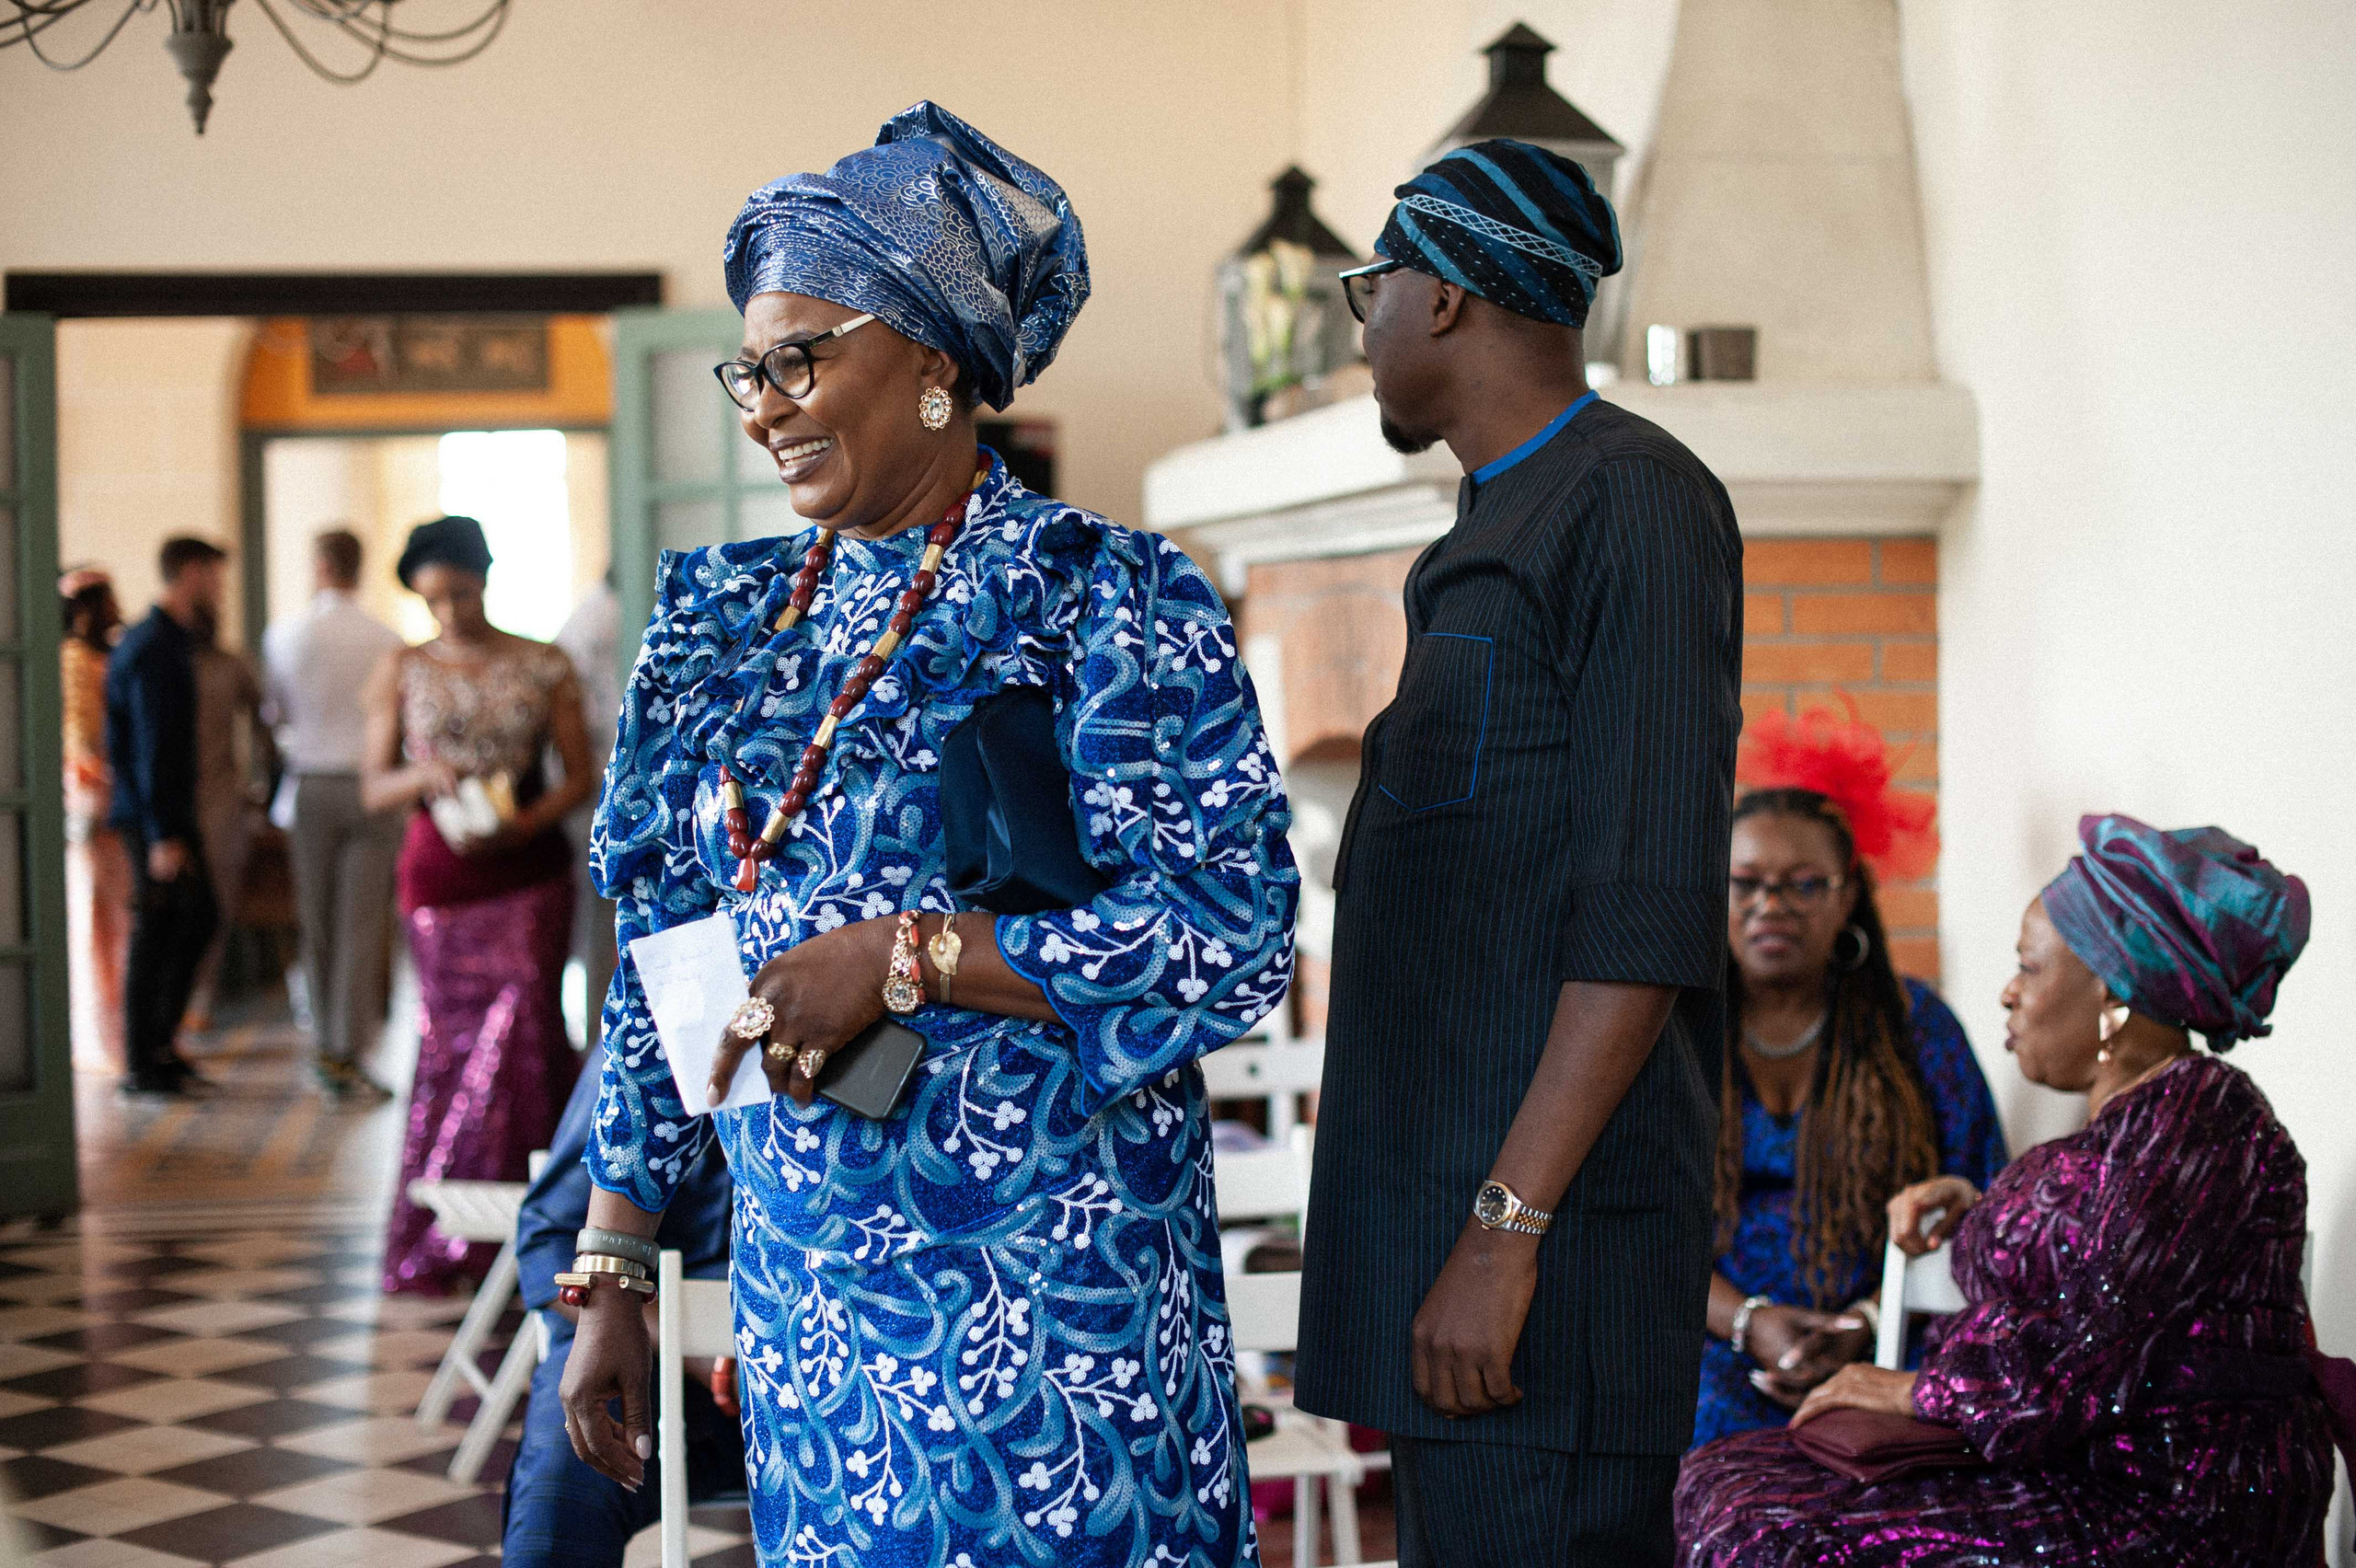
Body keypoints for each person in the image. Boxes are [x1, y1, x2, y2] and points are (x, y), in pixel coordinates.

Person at [559, 103, 1298, 1567]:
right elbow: (673, 957)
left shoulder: (1108, 599)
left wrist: (905, 957)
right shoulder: (718, 621)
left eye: (802, 357)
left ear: (939, 365)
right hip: (816, 1308)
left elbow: (1231, 932)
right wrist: (617, 1258)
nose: (763, 405)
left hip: (1067, 1303)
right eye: (748, 369)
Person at [1294, 140, 1743, 1567]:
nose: (1361, 326)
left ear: (1442, 301)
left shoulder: (1634, 503)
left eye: (1373, 287)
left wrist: (1503, 1232)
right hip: (1454, 1251)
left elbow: (1648, 907)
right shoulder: (1502, 517)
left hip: (1544, 1282)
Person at [1677, 813, 2343, 1566]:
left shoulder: (2199, 1121)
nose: (2007, 993)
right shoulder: (2136, 1121)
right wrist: (1978, 1209)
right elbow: (2088, 1258)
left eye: (2028, 967)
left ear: (2111, 996)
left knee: (1760, 1528)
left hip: (2167, 1495)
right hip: (2071, 1457)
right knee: (1720, 1476)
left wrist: (1908, 1392)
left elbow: (2082, 1343)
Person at [1694, 707, 2005, 1445]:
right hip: (1706, 1342)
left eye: (1804, 884)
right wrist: (1749, 1322)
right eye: (1745, 884)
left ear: (1847, 896)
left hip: (1893, 1340)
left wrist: (1869, 1321)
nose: (1771, 904)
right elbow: (1632, 1223)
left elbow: (1983, 1200)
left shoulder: (1915, 1027)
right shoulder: (1676, 1033)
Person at [361, 514, 593, 1294]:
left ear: (484, 579)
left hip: (526, 868)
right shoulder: (402, 667)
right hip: (440, 874)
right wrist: (423, 780)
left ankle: (544, 1228)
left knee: (528, 1027)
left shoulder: (543, 663)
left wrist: (524, 819)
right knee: (447, 1041)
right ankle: (442, 1235)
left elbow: (581, 776)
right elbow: (372, 784)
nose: (451, 613)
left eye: (461, 593)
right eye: (434, 600)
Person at [504, 1038, 739, 1568]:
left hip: (862, 1362)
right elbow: (548, 1240)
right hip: (658, 1369)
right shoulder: (666, 1025)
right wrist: (708, 1361)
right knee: (560, 1506)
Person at [262, 527, 404, 1099]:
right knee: (362, 927)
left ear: (319, 566)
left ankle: (326, 1047)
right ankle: (349, 1047)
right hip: (372, 786)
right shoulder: (386, 638)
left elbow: (276, 714)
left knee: (317, 923)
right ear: (359, 566)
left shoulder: (285, 634)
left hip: (312, 785)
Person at [105, 536, 231, 1096]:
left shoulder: (170, 641)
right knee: (159, 929)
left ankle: (160, 1046)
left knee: (193, 919)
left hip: (169, 815)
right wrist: (164, 834)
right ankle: (143, 1060)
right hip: (154, 819)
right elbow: (152, 747)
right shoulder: (152, 645)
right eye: (214, 574)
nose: (220, 587)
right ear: (189, 572)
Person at [184, 608, 269, 1032]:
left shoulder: (232, 665)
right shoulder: (165, 660)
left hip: (222, 803)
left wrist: (261, 788)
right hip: (174, 801)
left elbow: (263, 725)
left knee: (217, 900)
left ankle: (201, 996)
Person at [61, 567, 130, 1078]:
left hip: (107, 799)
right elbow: (82, 741)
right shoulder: (74, 662)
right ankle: (99, 1032)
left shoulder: (103, 659)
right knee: (93, 916)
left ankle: (116, 1026)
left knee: (114, 917)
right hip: (92, 801)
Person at [553, 572, 620, 1052]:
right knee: (603, 920)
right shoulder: (600, 619)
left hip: (604, 780)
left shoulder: (587, 618)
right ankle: (603, 1037)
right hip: (601, 784)